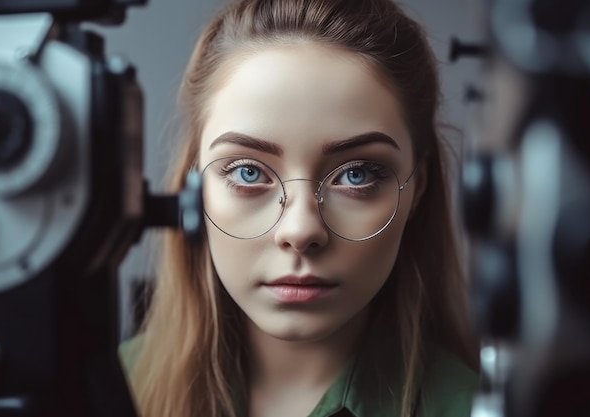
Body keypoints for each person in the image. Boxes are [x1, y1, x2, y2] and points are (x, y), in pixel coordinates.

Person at [119, 0, 480, 416]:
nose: (300, 230)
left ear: (418, 187)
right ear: (193, 188)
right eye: (249, 173)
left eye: (358, 174)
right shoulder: (105, 392)